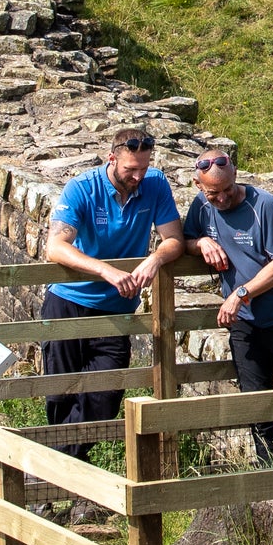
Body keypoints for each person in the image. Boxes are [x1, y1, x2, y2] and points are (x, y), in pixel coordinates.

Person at [180, 152, 273, 464]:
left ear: (234, 174)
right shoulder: (201, 206)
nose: (221, 198)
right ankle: (269, 467)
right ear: (197, 185)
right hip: (245, 324)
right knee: (256, 399)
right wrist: (201, 244)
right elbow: (186, 239)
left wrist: (240, 293)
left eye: (228, 189)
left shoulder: (264, 205)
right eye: (213, 193)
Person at [38, 125, 183, 431]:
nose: (138, 177)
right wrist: (106, 270)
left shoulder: (155, 184)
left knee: (106, 395)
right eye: (131, 169)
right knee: (60, 393)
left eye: (144, 168)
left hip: (116, 308)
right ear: (111, 159)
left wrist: (155, 259)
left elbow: (174, 238)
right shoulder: (81, 188)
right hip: (68, 301)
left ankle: (63, 465)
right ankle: (63, 468)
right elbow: (55, 246)